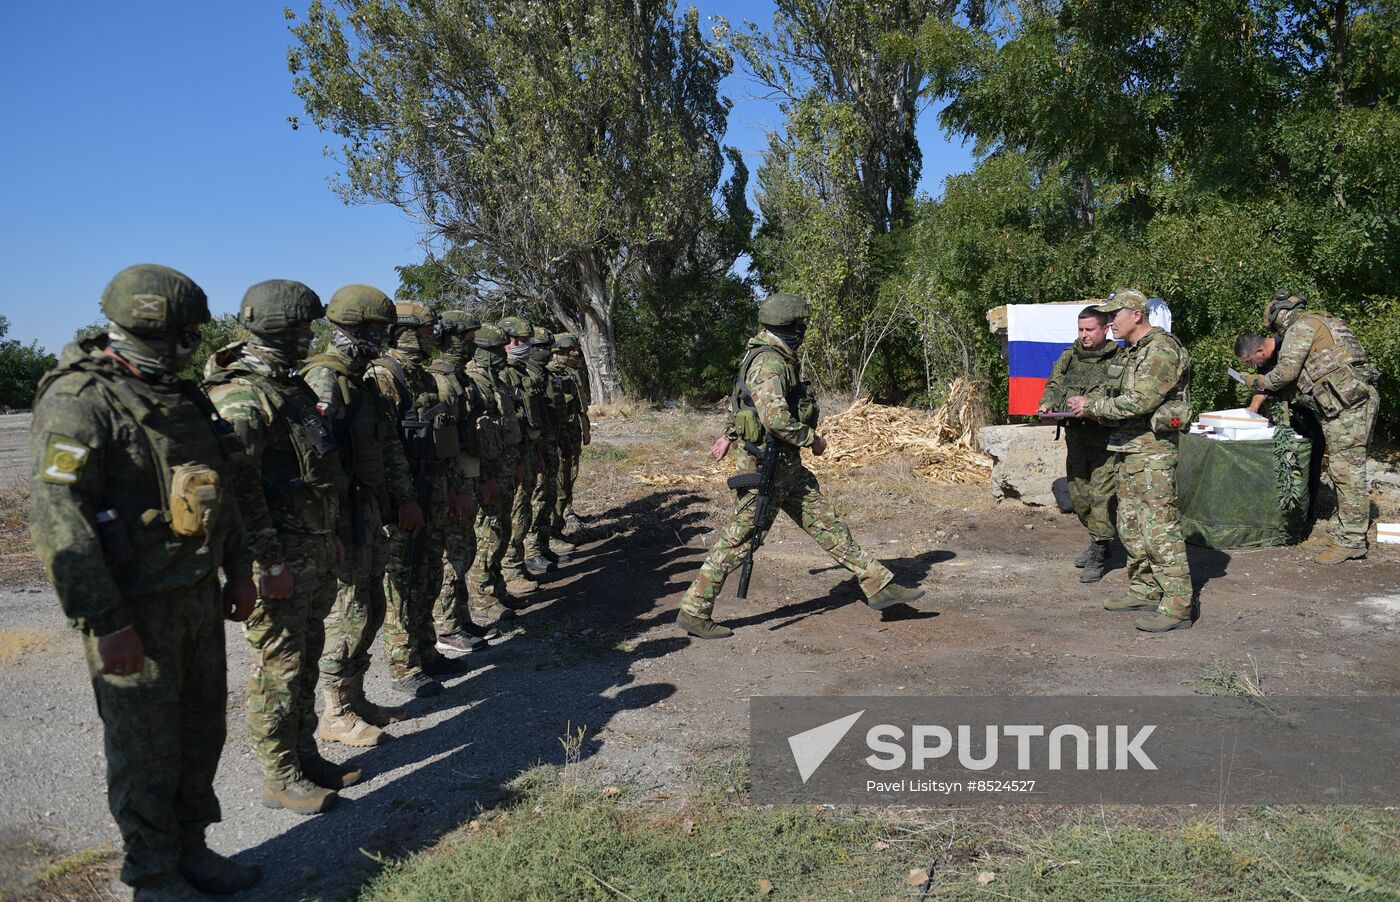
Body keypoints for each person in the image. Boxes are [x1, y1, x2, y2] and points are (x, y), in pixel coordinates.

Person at [29, 264, 261, 898]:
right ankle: (153, 875)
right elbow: (59, 521)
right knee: (144, 750)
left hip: (195, 597)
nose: (190, 348)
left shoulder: (183, 397)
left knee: (200, 732)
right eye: (181, 335)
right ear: (139, 330)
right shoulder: (81, 401)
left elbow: (223, 492)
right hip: (133, 610)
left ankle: (191, 850)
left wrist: (238, 571)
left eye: (194, 335)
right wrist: (107, 622)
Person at [675, 292, 926, 639]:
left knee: (827, 522)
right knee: (741, 540)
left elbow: (745, 405)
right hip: (766, 468)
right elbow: (775, 419)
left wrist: (727, 435)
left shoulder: (773, 356)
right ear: (789, 326)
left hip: (785, 466)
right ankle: (694, 610)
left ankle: (877, 584)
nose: (804, 330)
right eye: (801, 324)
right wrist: (813, 440)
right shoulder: (770, 362)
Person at [204, 280, 356, 816]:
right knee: (280, 667)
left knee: (307, 657)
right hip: (277, 559)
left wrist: (329, 532)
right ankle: (279, 774)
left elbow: (312, 472)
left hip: (310, 547)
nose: (308, 336)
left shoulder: (285, 387)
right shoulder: (243, 395)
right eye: (301, 327)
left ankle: (304, 752)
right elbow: (237, 494)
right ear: (280, 327)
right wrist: (265, 563)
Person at [303, 285, 423, 747]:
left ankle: (355, 697)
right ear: (349, 328)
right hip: (343, 516)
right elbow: (314, 463)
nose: (382, 337)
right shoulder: (323, 380)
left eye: (385, 330)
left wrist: (403, 499)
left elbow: (387, 447)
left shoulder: (365, 380)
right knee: (348, 613)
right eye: (375, 329)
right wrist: (328, 525)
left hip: (369, 510)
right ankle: (334, 711)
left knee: (372, 607)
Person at [1067, 289, 1194, 633]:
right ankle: (1146, 589)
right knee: (1131, 526)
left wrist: (1091, 409)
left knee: (1159, 529)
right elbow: (1113, 393)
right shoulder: (1132, 352)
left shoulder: (1162, 349)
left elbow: (1140, 401)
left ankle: (1179, 604)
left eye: (1114, 315)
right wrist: (1086, 400)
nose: (1109, 322)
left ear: (1136, 315)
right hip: (1127, 448)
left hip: (1153, 451)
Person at [368, 302, 472, 695]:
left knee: (428, 574)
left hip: (434, 490)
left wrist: (456, 487)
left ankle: (427, 650)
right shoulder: (384, 376)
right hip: (407, 497)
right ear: (406, 332)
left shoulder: (423, 379)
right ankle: (403, 665)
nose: (435, 336)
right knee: (403, 579)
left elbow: (445, 440)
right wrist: (405, 499)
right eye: (428, 330)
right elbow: (388, 447)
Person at [1242, 291, 1380, 563]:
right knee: (1341, 468)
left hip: (1349, 404)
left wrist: (1258, 382)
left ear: (1279, 315)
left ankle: (1352, 539)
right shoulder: (1319, 322)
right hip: (1346, 402)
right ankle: (1340, 529)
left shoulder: (1302, 326)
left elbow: (1286, 372)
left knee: (1347, 470)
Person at [427, 309, 495, 652]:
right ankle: (448, 627)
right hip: (453, 484)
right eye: (466, 339)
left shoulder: (461, 378)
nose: (470, 345)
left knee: (464, 550)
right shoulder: (441, 380)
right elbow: (444, 445)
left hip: (468, 477)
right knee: (454, 555)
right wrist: (455, 488)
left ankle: (461, 618)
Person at [1037, 306, 1120, 582]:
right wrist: (1048, 403)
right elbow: (1054, 384)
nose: (1084, 335)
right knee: (1079, 496)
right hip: (1077, 438)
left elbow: (1116, 391)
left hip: (1106, 440)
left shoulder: (1118, 358)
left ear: (1105, 329)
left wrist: (1092, 403)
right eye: (1080, 330)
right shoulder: (1069, 356)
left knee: (1101, 496)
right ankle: (1101, 541)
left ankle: (1098, 550)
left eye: (1089, 330)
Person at [465, 323, 528, 620]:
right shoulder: (472, 382)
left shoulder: (495, 380)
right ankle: (482, 599)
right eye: (496, 350)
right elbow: (472, 439)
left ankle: (497, 589)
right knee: (487, 536)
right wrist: (484, 478)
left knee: (501, 533)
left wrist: (515, 465)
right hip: (487, 476)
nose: (504, 353)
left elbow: (506, 427)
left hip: (504, 471)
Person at [499, 315, 549, 594]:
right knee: (509, 517)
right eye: (521, 341)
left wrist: (537, 451)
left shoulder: (524, 371)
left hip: (528, 452)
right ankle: (510, 570)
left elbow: (532, 418)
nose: (526, 345)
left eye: (528, 340)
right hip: (507, 460)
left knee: (524, 511)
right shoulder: (499, 374)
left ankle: (517, 565)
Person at [525, 326, 567, 572]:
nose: (545, 352)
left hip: (550, 446)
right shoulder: (525, 376)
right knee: (537, 500)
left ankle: (542, 546)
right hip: (536, 450)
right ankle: (531, 552)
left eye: (547, 347)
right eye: (539, 347)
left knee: (548, 497)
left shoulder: (546, 375)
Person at [549, 333, 589, 552]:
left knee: (570, 475)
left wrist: (586, 428)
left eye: (576, 348)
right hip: (558, 437)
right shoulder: (550, 373)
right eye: (570, 349)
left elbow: (580, 404)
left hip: (572, 433)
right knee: (558, 482)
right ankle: (555, 526)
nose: (575, 352)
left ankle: (565, 513)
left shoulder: (572, 373)